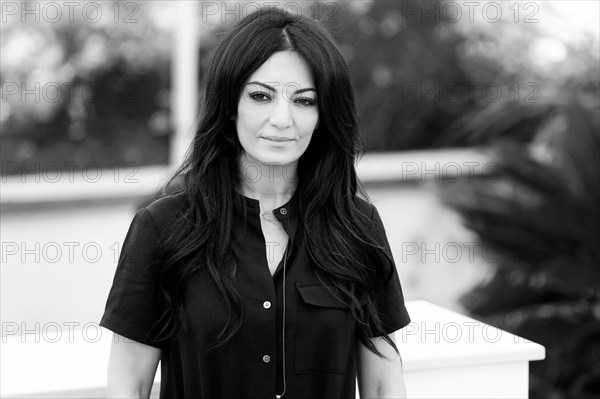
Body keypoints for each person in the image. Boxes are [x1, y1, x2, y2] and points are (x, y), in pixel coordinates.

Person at [100, 7, 411, 399]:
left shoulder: (357, 226)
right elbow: (129, 383)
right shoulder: (163, 226)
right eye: (261, 96)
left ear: (323, 115)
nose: (282, 119)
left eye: (303, 100)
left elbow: (384, 384)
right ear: (230, 104)